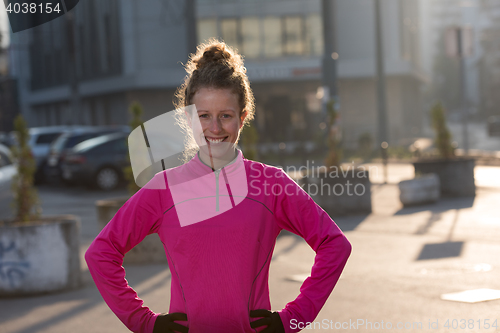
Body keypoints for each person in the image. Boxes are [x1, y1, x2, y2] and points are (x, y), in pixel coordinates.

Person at [85, 39, 352, 333]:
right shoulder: (164, 188)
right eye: (204, 116)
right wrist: (145, 323)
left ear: (243, 117)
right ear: (189, 119)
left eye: (225, 116)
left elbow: (335, 244)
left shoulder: (271, 184)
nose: (214, 128)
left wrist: (292, 319)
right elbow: (101, 254)